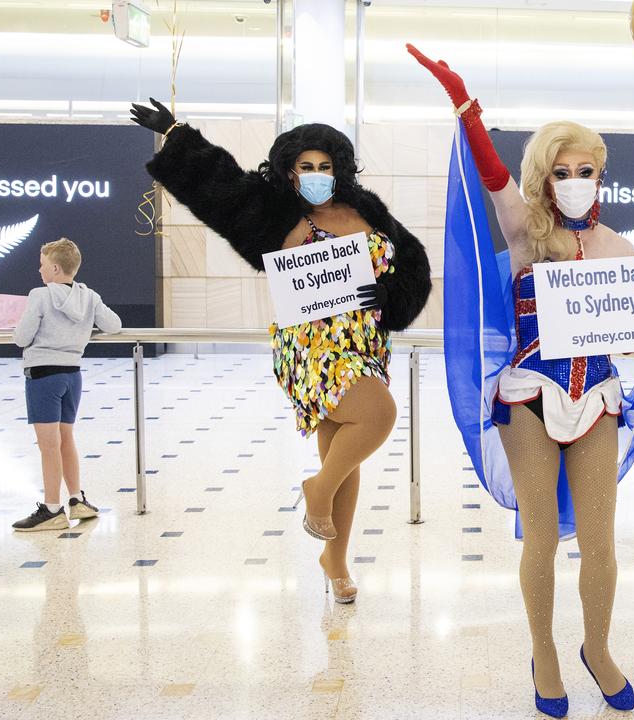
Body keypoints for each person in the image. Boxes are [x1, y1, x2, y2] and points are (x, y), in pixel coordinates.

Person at [408, 44, 634, 718]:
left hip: (597, 399)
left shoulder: (621, 249)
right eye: (562, 171)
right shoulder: (526, 233)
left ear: (601, 174)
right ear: (545, 177)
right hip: (529, 396)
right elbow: (494, 175)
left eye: (585, 169)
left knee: (600, 542)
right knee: (539, 537)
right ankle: (546, 652)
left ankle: (597, 646)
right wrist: (466, 106)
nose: (575, 179)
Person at [130, 99, 432, 604]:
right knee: (377, 414)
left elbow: (409, 263)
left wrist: (392, 295)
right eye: (305, 167)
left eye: (324, 166)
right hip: (312, 343)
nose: (316, 175)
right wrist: (175, 131)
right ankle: (316, 490)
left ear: (339, 167)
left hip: (365, 340)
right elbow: (218, 186)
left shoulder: (367, 209)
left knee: (345, 453)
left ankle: (334, 559)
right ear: (289, 172)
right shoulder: (276, 214)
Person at [12, 238, 122, 531]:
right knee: (66, 439)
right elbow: (114, 325)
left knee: (48, 446)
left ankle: (51, 509)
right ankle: (76, 499)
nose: (39, 270)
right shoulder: (89, 296)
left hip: (43, 375)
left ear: (56, 268)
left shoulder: (40, 295)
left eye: (43, 264)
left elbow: (21, 338)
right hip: (72, 375)